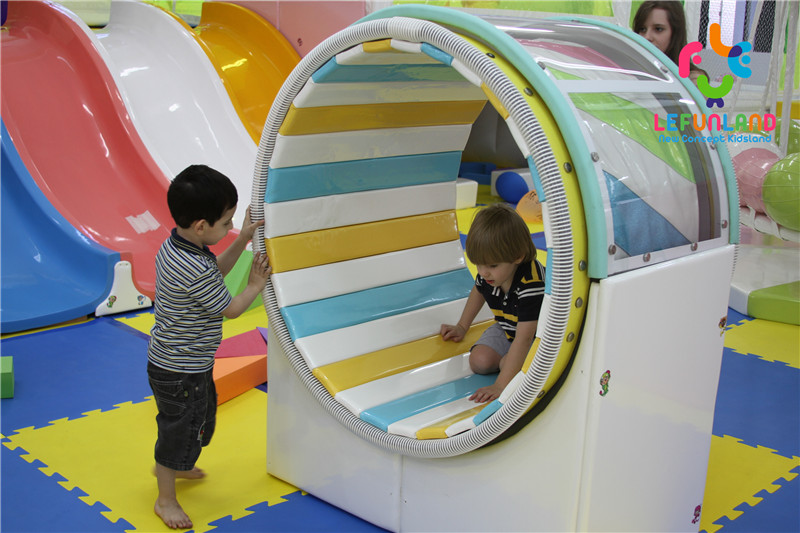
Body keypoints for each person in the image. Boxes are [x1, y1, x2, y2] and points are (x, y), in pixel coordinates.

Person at [147, 164, 271, 530]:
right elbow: (230, 309)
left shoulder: (179, 245)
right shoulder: (194, 268)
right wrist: (255, 284)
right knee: (180, 429)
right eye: (227, 222)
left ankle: (175, 461)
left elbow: (215, 270)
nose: (230, 226)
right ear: (202, 226)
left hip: (183, 364)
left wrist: (243, 238)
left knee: (198, 423)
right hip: (179, 370)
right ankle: (165, 497)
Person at [440, 203, 545, 404]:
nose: (483, 272)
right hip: (508, 326)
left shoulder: (531, 284)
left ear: (518, 257)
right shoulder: (490, 274)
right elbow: (478, 291)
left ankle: (510, 365)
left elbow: (524, 338)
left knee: (512, 368)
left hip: (536, 336)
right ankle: (509, 362)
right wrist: (462, 326)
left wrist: (500, 385)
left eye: (492, 266)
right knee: (479, 361)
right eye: (478, 264)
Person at [633, 0, 706, 83]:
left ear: (675, 33)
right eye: (642, 29)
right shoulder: (629, 71)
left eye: (658, 29)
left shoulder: (692, 79)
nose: (647, 37)